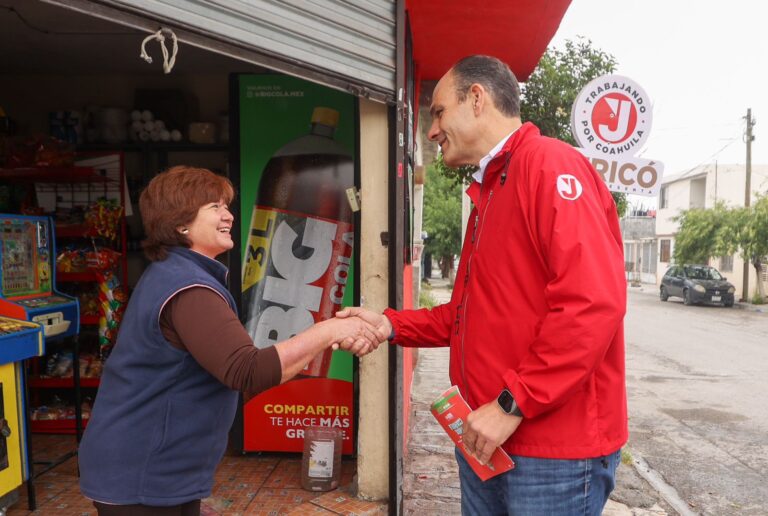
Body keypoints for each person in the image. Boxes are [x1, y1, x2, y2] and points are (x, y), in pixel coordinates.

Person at [338, 55, 628, 515]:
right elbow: (468, 312)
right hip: (485, 436)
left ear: (477, 99)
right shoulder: (491, 189)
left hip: (550, 453)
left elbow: (592, 304)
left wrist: (511, 405)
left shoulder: (549, 166)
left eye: (437, 112)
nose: (432, 131)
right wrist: (387, 324)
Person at [78, 166, 383, 516]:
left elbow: (263, 371)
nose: (229, 215)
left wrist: (329, 335)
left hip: (156, 472)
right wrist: (328, 330)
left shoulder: (178, 274)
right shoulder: (189, 288)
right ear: (180, 223)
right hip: (141, 474)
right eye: (214, 207)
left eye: (226, 205)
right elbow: (246, 370)